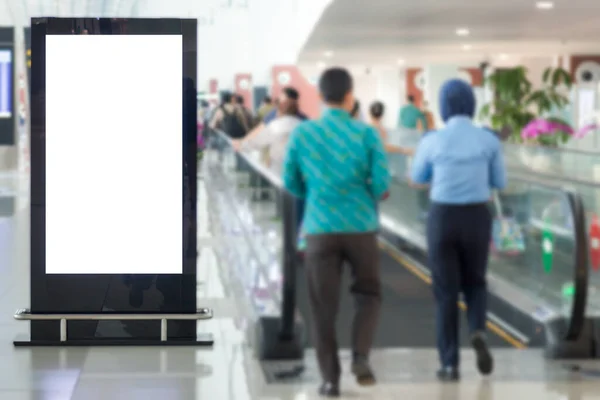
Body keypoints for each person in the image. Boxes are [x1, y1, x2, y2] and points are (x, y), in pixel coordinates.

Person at [282, 67, 390, 397]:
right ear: (349, 96)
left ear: (319, 95)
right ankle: (360, 355)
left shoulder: (303, 134)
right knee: (368, 294)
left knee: (322, 307)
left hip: (319, 227)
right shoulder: (367, 135)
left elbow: (291, 183)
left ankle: (330, 380)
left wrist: (316, 193)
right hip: (360, 227)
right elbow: (382, 186)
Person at [410, 79, 507, 382]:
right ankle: (477, 330)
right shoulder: (488, 141)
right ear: (472, 104)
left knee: (445, 292)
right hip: (477, 217)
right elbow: (500, 183)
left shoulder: (432, 140)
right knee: (475, 282)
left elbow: (417, 177)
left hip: (442, 218)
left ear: (442, 106)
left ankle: (450, 364)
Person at [232, 95, 301, 174]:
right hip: (298, 168)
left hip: (279, 168)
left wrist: (241, 145)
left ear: (280, 111)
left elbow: (256, 142)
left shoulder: (276, 125)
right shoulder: (301, 125)